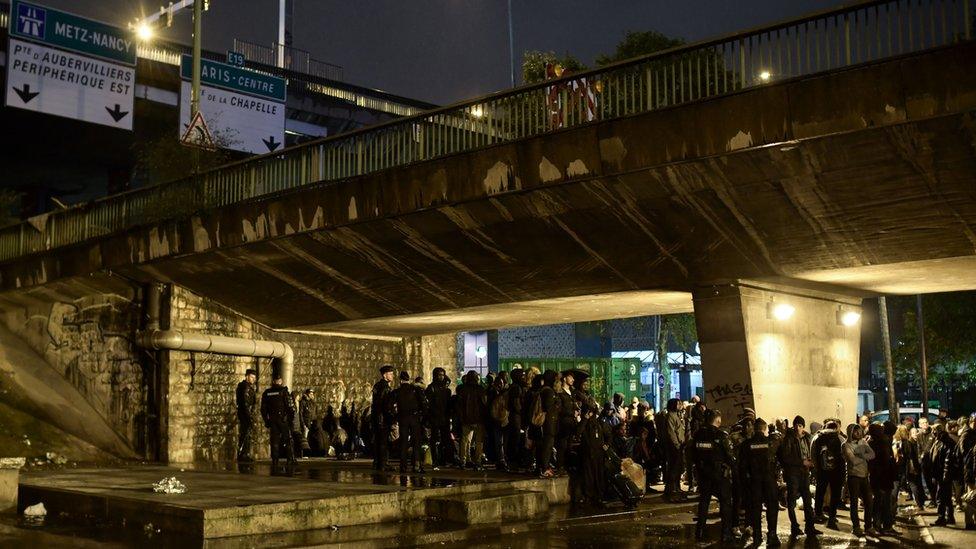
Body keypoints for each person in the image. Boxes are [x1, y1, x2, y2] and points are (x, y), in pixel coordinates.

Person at [692, 409, 734, 543]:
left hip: (704, 473)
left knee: (704, 502)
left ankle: (700, 530)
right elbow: (729, 455)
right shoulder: (721, 435)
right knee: (725, 502)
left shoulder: (698, 434)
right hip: (719, 474)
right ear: (718, 420)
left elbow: (693, 453)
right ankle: (726, 533)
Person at [777, 415, 820, 538]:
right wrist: (802, 462)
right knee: (791, 502)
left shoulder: (806, 438)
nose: (797, 428)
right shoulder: (788, 439)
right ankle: (794, 527)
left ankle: (810, 527)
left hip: (804, 473)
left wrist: (810, 463)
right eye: (796, 425)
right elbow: (785, 458)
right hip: (793, 474)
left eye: (800, 425)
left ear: (803, 427)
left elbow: (809, 452)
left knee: (807, 501)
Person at [740, 418, 781, 547]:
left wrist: (745, 483)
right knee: (772, 508)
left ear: (754, 428)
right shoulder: (771, 442)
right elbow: (779, 460)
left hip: (754, 481)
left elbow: (742, 466)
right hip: (769, 480)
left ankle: (757, 536)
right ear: (764, 429)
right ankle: (772, 535)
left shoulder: (746, 445)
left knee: (755, 509)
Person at [390, 369, 428, 473]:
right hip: (415, 418)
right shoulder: (415, 390)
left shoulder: (397, 392)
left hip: (403, 418)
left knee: (403, 442)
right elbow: (424, 404)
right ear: (408, 379)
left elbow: (391, 407)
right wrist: (422, 416)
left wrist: (396, 417)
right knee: (416, 442)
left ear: (400, 380)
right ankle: (416, 465)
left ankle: (403, 466)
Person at [843, 424, 876, 537]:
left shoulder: (863, 442)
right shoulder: (846, 445)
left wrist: (860, 455)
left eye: (859, 431)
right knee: (854, 503)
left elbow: (872, 455)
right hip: (854, 476)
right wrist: (863, 456)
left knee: (869, 501)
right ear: (850, 433)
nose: (858, 434)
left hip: (864, 475)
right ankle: (856, 527)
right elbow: (852, 460)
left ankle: (868, 526)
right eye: (855, 432)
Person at [811, 420, 845, 529]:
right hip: (837, 471)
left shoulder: (817, 437)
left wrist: (816, 468)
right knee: (835, 494)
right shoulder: (839, 438)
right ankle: (831, 517)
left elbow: (813, 453)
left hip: (822, 470)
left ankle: (818, 514)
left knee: (820, 492)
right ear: (836, 428)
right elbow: (844, 455)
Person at [260, 373, 296, 474]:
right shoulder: (284, 391)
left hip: (272, 420)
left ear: (273, 381)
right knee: (288, 439)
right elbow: (290, 407)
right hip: (283, 420)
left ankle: (275, 460)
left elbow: (263, 409)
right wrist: (290, 419)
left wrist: (267, 421)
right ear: (280, 381)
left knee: (274, 441)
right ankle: (290, 459)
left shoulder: (267, 393)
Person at [867, 422, 897, 533]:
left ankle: (878, 524)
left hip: (878, 476)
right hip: (882, 477)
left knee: (880, 501)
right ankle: (884, 525)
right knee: (883, 502)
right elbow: (884, 461)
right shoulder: (881, 442)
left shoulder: (871, 443)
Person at [658, 398, 687, 502]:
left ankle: (675, 489)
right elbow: (671, 432)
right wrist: (677, 444)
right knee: (674, 468)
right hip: (674, 447)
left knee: (678, 468)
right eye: (678, 404)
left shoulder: (676, 415)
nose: (680, 405)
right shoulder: (670, 416)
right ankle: (671, 491)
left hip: (679, 445)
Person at [930, 423, 960, 526]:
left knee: (941, 497)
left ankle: (941, 518)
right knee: (946, 497)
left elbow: (948, 461)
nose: (932, 432)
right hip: (941, 474)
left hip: (943, 475)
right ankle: (950, 517)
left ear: (938, 431)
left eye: (934, 430)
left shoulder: (945, 441)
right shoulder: (939, 440)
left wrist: (945, 475)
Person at [456, 370, 487, 469]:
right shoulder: (480, 389)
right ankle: (477, 462)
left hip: (466, 419)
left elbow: (459, 406)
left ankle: (463, 461)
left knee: (465, 441)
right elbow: (484, 404)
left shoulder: (463, 389)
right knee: (478, 442)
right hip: (479, 419)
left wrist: (461, 417)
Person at [425, 367, 454, 469]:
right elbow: (428, 405)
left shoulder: (446, 390)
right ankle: (436, 461)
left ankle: (443, 460)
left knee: (445, 440)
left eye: (443, 375)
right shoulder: (431, 388)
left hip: (444, 418)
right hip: (435, 418)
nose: (441, 377)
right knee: (435, 440)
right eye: (439, 375)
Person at [536, 370, 560, 478]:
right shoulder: (549, 392)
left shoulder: (542, 389)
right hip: (548, 423)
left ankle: (542, 467)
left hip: (545, 423)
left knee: (544, 445)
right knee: (547, 446)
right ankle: (544, 469)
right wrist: (558, 404)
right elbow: (549, 408)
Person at [370, 365, 395, 471]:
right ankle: (383, 464)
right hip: (383, 419)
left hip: (376, 417)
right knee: (383, 442)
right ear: (385, 375)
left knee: (378, 441)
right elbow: (386, 405)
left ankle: (377, 462)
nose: (392, 376)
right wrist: (391, 417)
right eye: (390, 374)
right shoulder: (385, 388)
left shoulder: (377, 386)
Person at [506, 368, 527, 471]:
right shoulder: (516, 388)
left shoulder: (514, 387)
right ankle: (513, 462)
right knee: (516, 439)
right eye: (522, 376)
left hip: (515, 417)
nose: (524, 378)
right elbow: (516, 405)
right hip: (516, 418)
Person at [235, 368, 258, 462]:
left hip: (246, 413)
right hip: (245, 413)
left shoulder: (246, 386)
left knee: (246, 434)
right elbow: (245, 403)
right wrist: (249, 416)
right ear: (247, 376)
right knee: (245, 434)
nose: (253, 379)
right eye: (252, 377)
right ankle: (244, 454)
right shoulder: (245, 387)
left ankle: (244, 453)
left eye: (254, 378)